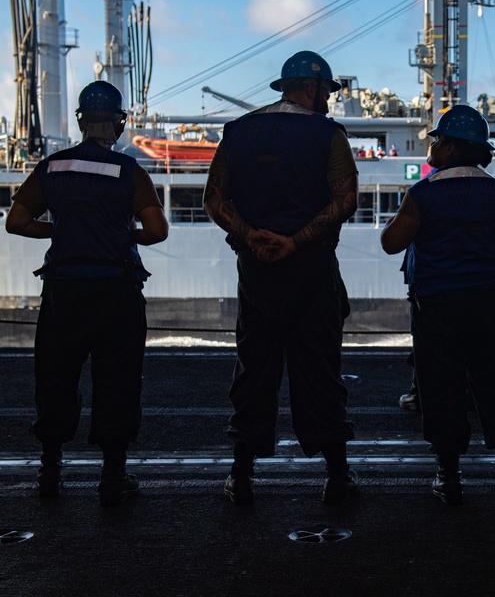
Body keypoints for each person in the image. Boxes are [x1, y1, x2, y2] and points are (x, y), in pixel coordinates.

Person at [203, 50, 359, 506]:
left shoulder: (236, 132)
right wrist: (296, 241)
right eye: (327, 92)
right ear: (311, 88)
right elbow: (345, 200)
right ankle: (336, 474)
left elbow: (215, 199)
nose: (328, 101)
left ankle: (243, 475)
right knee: (320, 370)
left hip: (257, 269)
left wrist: (253, 236)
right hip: (311, 268)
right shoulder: (329, 133)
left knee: (254, 369)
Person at [5, 81, 169, 506]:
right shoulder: (130, 173)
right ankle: (113, 475)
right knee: (117, 380)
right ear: (119, 123)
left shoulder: (51, 168)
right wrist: (117, 234)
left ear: (81, 121)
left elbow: (17, 222)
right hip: (116, 291)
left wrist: (62, 230)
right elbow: (156, 231)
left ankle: (50, 468)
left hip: (64, 292)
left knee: (55, 377)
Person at [380, 104, 495, 505]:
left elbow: (391, 243)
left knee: (440, 385)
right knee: (494, 381)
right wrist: (484, 248)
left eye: (438, 140)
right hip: (488, 296)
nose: (432, 146)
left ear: (451, 148)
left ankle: (449, 476)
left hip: (436, 301)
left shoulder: (423, 193)